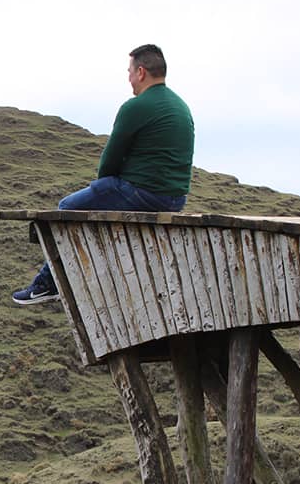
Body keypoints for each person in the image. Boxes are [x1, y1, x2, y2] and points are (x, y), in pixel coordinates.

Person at [12, 44, 194, 304]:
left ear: (141, 72)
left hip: (144, 193)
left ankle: (46, 286)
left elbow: (111, 156)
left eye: (130, 72)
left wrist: (104, 185)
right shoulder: (181, 106)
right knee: (96, 205)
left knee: (68, 208)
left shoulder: (136, 106)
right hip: (175, 198)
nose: (129, 78)